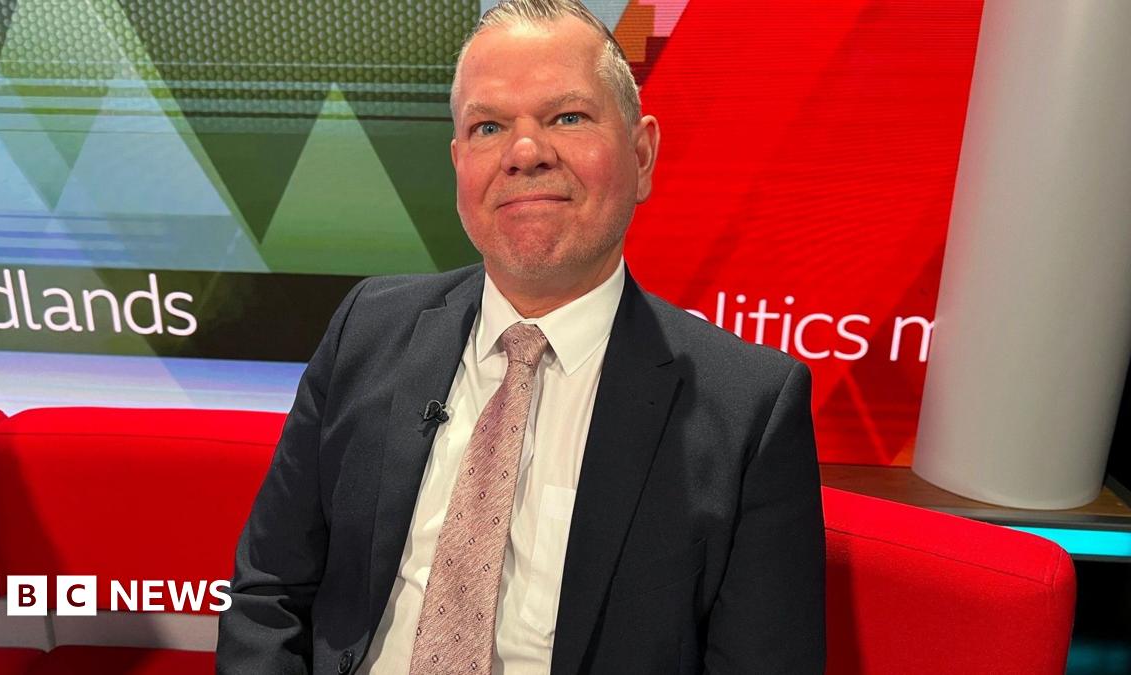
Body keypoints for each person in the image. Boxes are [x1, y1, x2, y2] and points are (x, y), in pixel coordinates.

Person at [216, 1, 824, 673]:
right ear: (459, 164)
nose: (525, 153)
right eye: (489, 126)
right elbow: (267, 593)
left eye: (568, 116)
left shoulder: (750, 410)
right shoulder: (366, 327)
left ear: (641, 153)